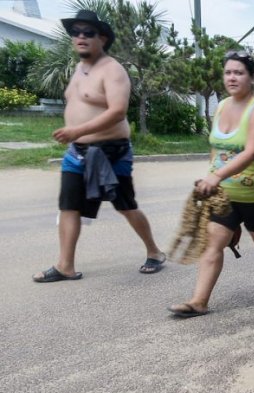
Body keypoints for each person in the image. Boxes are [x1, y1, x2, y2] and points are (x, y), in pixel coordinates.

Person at [32, 9, 165, 283]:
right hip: (76, 153)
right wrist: (75, 134)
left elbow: (117, 111)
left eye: (88, 32)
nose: (80, 37)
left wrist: (76, 130)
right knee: (68, 206)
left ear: (102, 38)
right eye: (76, 32)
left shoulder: (113, 70)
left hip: (111, 153)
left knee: (125, 206)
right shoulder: (79, 70)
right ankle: (65, 265)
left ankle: (154, 251)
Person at [168, 50, 254, 318]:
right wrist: (210, 176)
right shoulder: (222, 106)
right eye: (228, 72)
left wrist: (217, 176)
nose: (232, 77)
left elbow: (252, 151)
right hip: (226, 195)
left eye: (239, 72)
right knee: (214, 242)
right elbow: (216, 149)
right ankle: (199, 301)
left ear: (252, 77)